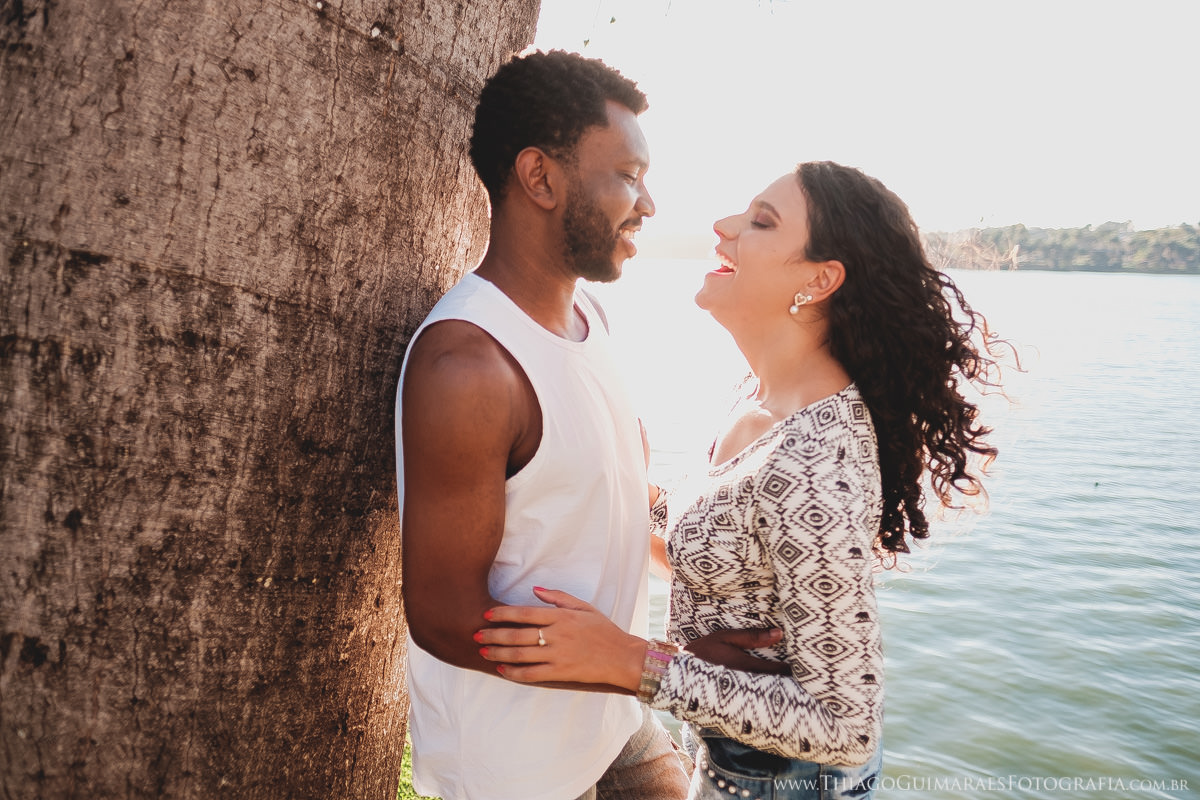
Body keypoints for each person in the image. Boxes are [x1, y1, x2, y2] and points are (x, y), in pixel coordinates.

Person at [476, 161, 1006, 800]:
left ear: (819, 279)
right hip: (737, 769)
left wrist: (631, 660)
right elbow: (712, 545)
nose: (723, 227)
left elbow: (846, 725)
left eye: (761, 222)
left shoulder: (818, 457)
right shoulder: (756, 397)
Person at [397, 50, 780, 800]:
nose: (650, 203)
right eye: (629, 176)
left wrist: (699, 606)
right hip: (522, 770)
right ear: (539, 177)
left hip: (610, 719)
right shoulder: (468, 366)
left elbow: (597, 506)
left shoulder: (589, 317)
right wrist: (653, 661)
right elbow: (443, 615)